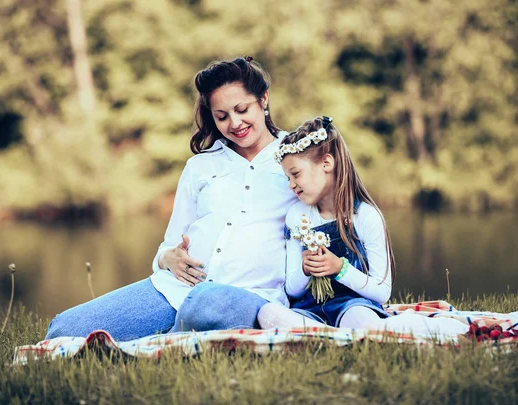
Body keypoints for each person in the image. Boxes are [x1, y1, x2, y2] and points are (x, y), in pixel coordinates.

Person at [45, 56, 298, 341]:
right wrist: (169, 259)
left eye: (242, 109)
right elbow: (167, 246)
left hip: (244, 298)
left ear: (263, 99)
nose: (235, 123)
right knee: (64, 331)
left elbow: (335, 218)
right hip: (176, 290)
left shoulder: (297, 157)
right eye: (222, 116)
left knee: (206, 307)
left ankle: (173, 334)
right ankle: (172, 333)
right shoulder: (201, 166)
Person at [257, 116, 396, 329]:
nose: (291, 185)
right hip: (308, 310)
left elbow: (382, 292)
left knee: (360, 319)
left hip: (352, 306)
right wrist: (305, 270)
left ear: (327, 163)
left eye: (296, 174)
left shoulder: (365, 216)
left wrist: (340, 268)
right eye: (288, 178)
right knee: (267, 313)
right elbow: (293, 289)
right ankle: (326, 333)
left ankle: (321, 335)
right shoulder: (297, 215)